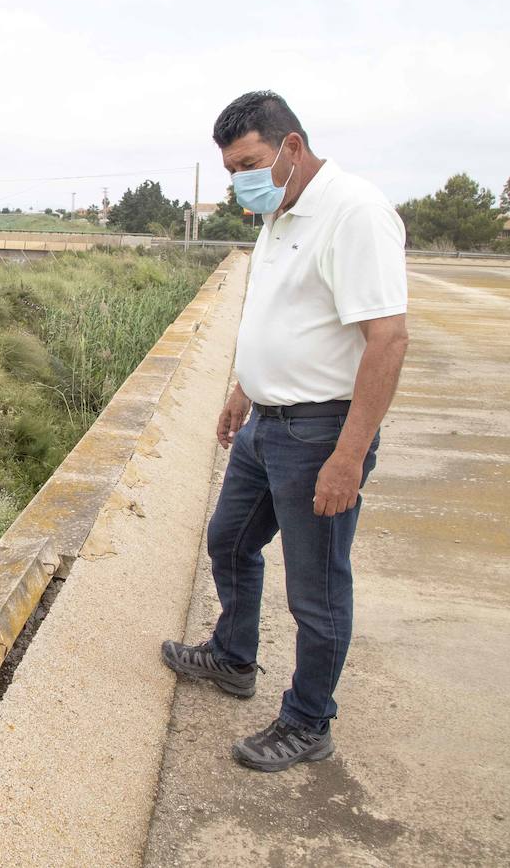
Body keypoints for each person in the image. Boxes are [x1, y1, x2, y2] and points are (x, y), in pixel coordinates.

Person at [162, 91, 409, 772]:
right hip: (266, 423)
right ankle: (234, 657)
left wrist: (349, 456)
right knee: (229, 541)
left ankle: (308, 722)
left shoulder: (354, 212)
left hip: (320, 434)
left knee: (317, 591)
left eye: (247, 162)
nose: (239, 179)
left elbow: (387, 339)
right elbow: (285, 314)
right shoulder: (279, 210)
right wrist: (245, 387)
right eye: (231, 168)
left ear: (291, 147)